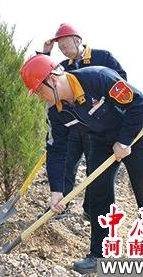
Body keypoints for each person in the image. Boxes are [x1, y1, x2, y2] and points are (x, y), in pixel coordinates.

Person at [20, 55, 143, 274]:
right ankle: (100, 255)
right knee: (98, 193)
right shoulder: (56, 110)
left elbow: (140, 104)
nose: (41, 98)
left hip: (135, 133)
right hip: (100, 140)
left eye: (39, 91)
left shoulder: (98, 78)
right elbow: (57, 149)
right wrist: (56, 191)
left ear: (52, 80)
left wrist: (125, 140)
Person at [41, 23, 128, 220]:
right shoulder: (63, 67)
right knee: (66, 164)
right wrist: (45, 54)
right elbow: (46, 78)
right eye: (60, 48)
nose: (63, 50)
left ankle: (92, 210)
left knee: (95, 168)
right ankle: (60, 206)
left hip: (97, 127)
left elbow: (121, 82)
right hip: (74, 127)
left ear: (77, 40)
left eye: (65, 45)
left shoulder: (102, 57)